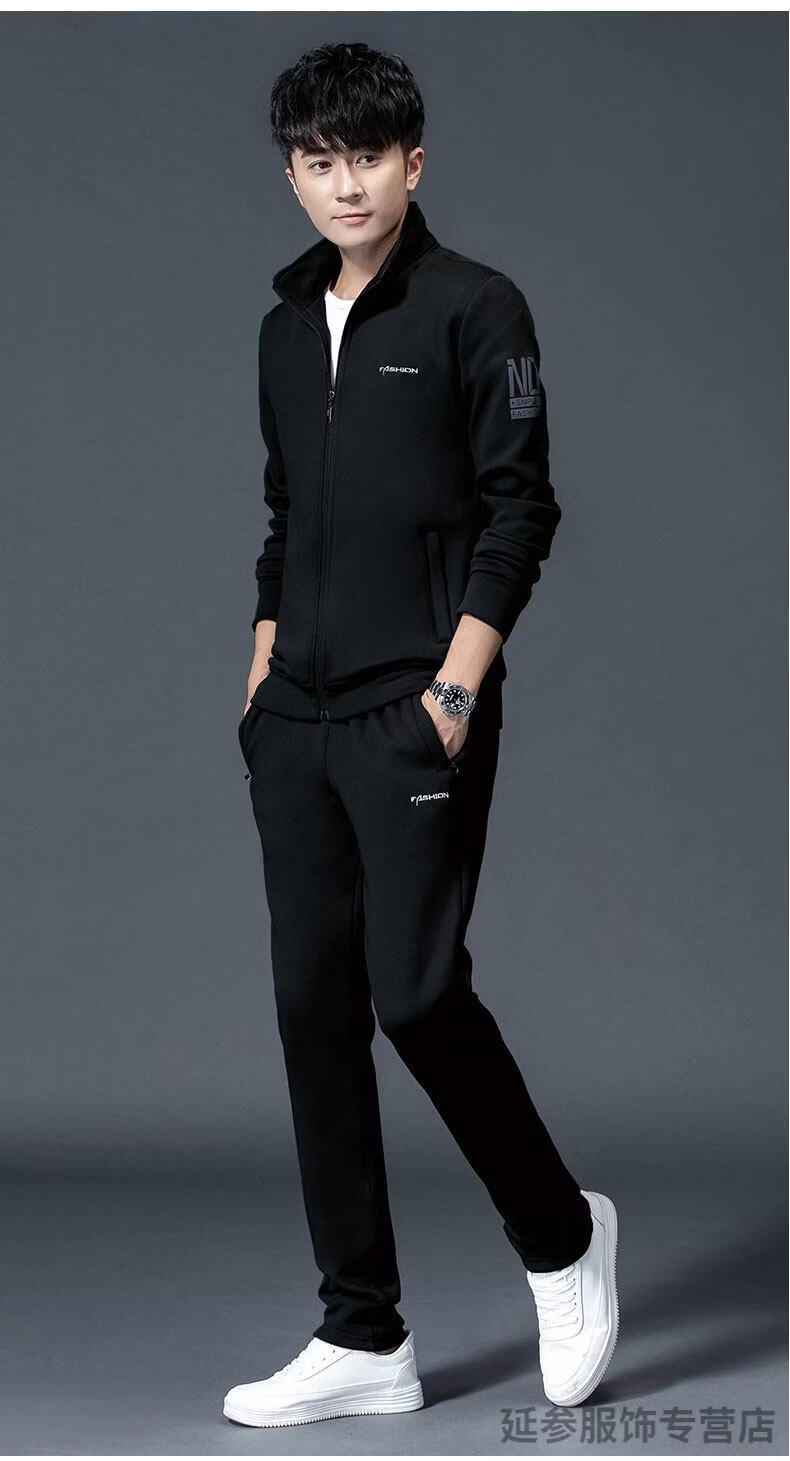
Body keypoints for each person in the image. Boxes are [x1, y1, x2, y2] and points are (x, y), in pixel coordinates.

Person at [223, 40, 619, 1430]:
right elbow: (287, 514)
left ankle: (561, 1237)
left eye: (369, 157)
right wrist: (262, 665)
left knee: (416, 993)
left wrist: (453, 690)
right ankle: (362, 1334)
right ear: (292, 173)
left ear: (413, 161)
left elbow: (522, 507)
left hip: (415, 710)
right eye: (319, 161)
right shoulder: (284, 327)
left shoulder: (474, 308)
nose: (346, 184)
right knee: (311, 1012)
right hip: (296, 719)